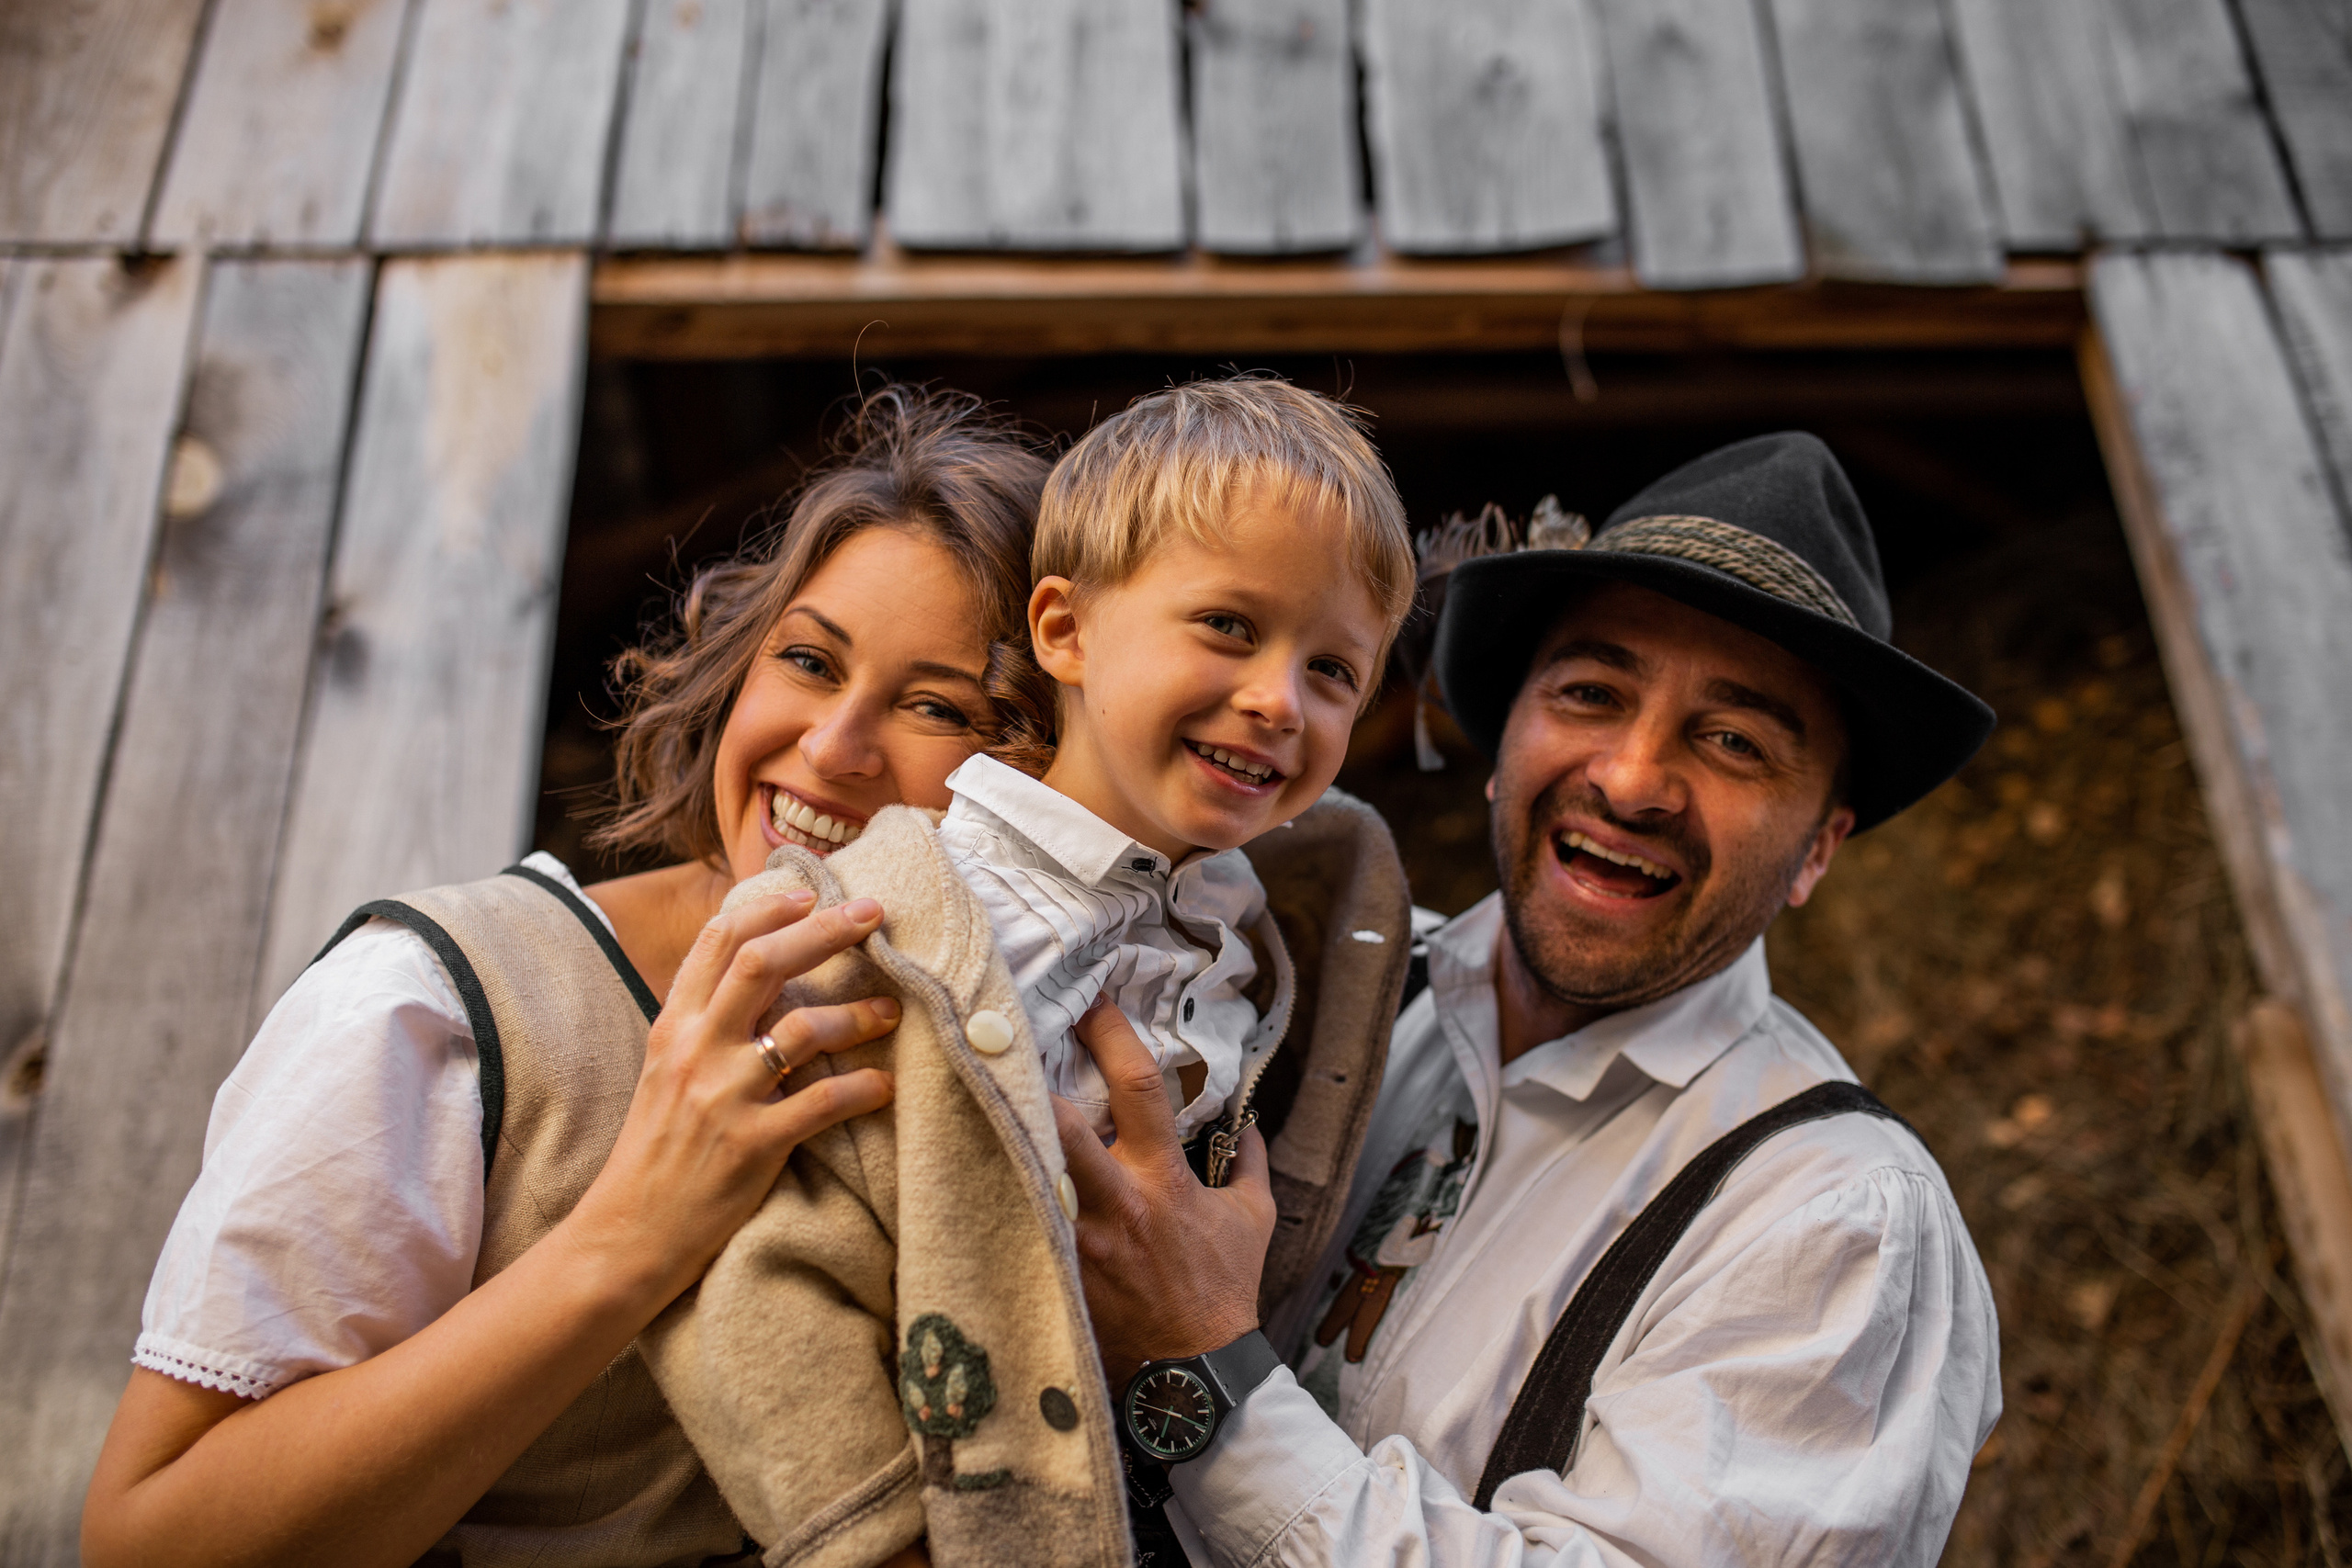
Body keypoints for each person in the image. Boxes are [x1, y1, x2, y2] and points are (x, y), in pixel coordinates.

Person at [81, 386, 1052, 1568]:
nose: (832, 746)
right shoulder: (439, 1004)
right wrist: (629, 1237)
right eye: (807, 660)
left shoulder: (1061, 1065)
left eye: (937, 707)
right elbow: (149, 1541)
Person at [1057, 433, 2005, 1564]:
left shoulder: (1836, 1221)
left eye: (1733, 741)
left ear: (1817, 850)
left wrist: (1200, 1369)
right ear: (1502, 746)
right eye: (1591, 693)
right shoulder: (1290, 985)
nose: (1632, 779)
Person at [638, 377, 1421, 1567]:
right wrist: (874, 1535)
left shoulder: (1261, 927)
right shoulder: (897, 922)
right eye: (1228, 627)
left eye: (1333, 672)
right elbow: (753, 1269)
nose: (1278, 700)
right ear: (1064, 632)